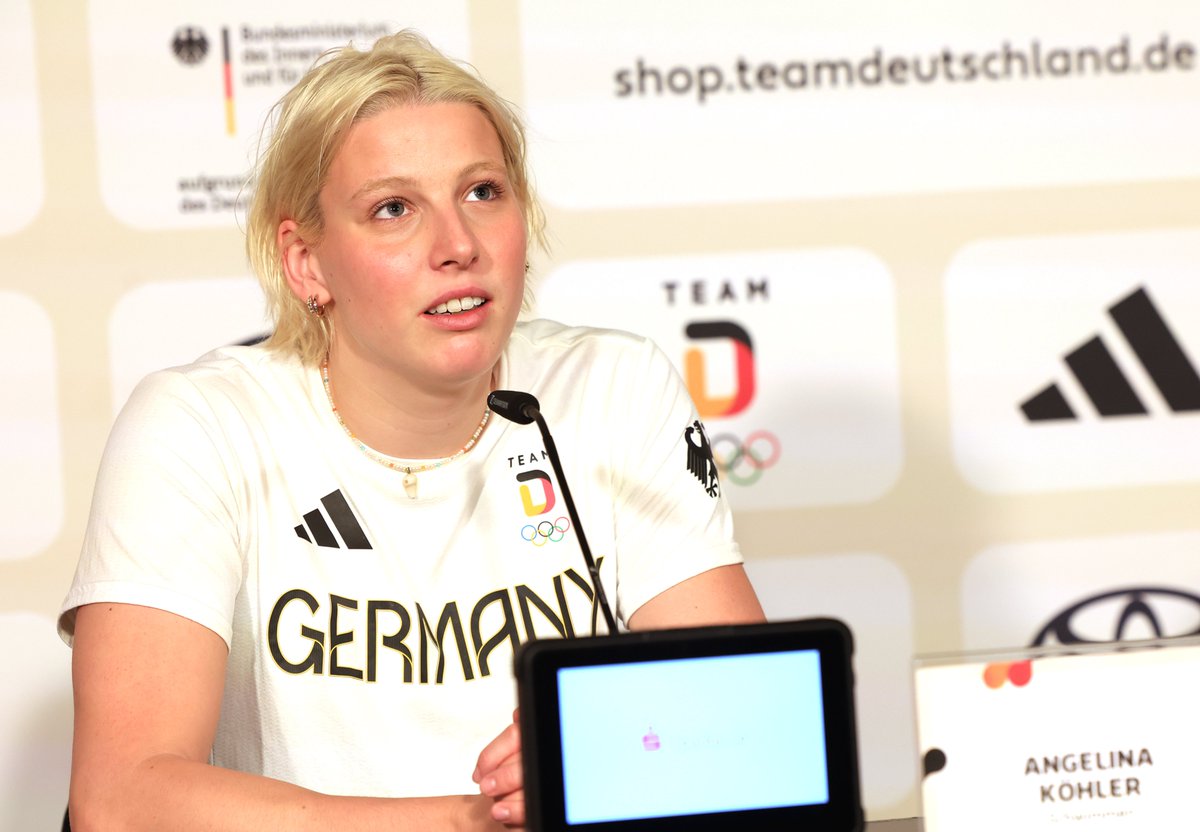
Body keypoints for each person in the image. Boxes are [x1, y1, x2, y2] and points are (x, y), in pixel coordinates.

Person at [60, 30, 764, 830]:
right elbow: (121, 800)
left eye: (482, 192)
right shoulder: (200, 428)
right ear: (306, 263)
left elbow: (751, 721)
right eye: (393, 209)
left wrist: (614, 749)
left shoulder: (612, 387)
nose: (458, 246)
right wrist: (484, 819)